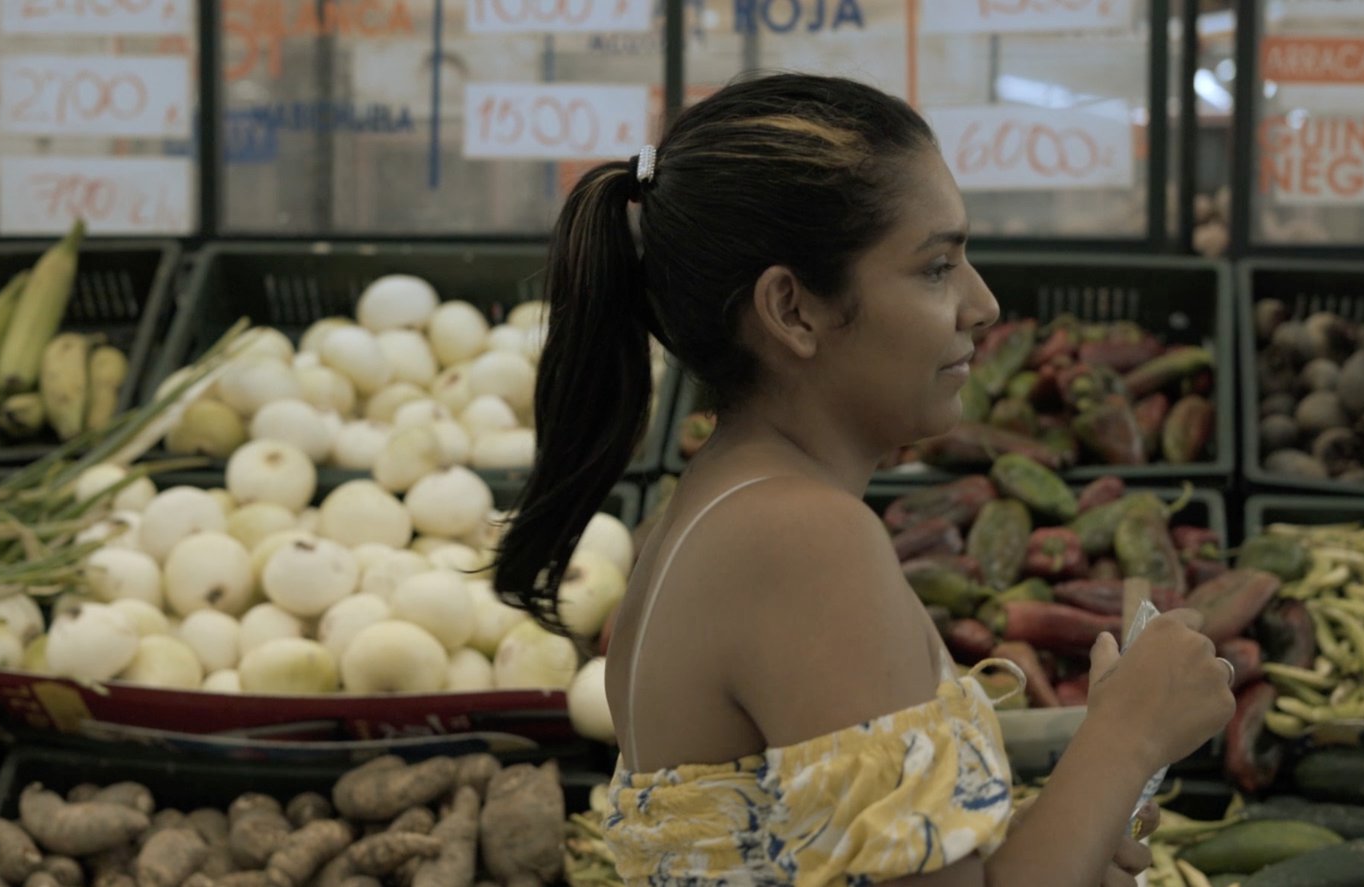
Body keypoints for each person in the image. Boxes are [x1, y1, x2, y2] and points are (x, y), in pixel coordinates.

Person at [493, 73, 1237, 887]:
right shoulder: (800, 540)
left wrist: (1089, 811)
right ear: (793, 310)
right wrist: (1127, 738)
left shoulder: (721, 509)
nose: (982, 303)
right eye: (935, 267)